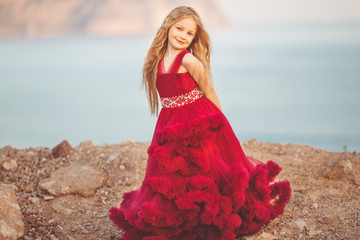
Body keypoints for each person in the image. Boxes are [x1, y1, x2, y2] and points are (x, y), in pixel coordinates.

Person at [109, 6, 291, 240]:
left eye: (189, 34)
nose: (183, 36)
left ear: (194, 38)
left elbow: (209, 91)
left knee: (203, 169)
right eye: (179, 29)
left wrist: (218, 126)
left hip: (197, 120)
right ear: (168, 27)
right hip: (170, 121)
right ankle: (179, 216)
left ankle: (205, 216)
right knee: (172, 173)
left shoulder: (190, 61)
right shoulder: (156, 60)